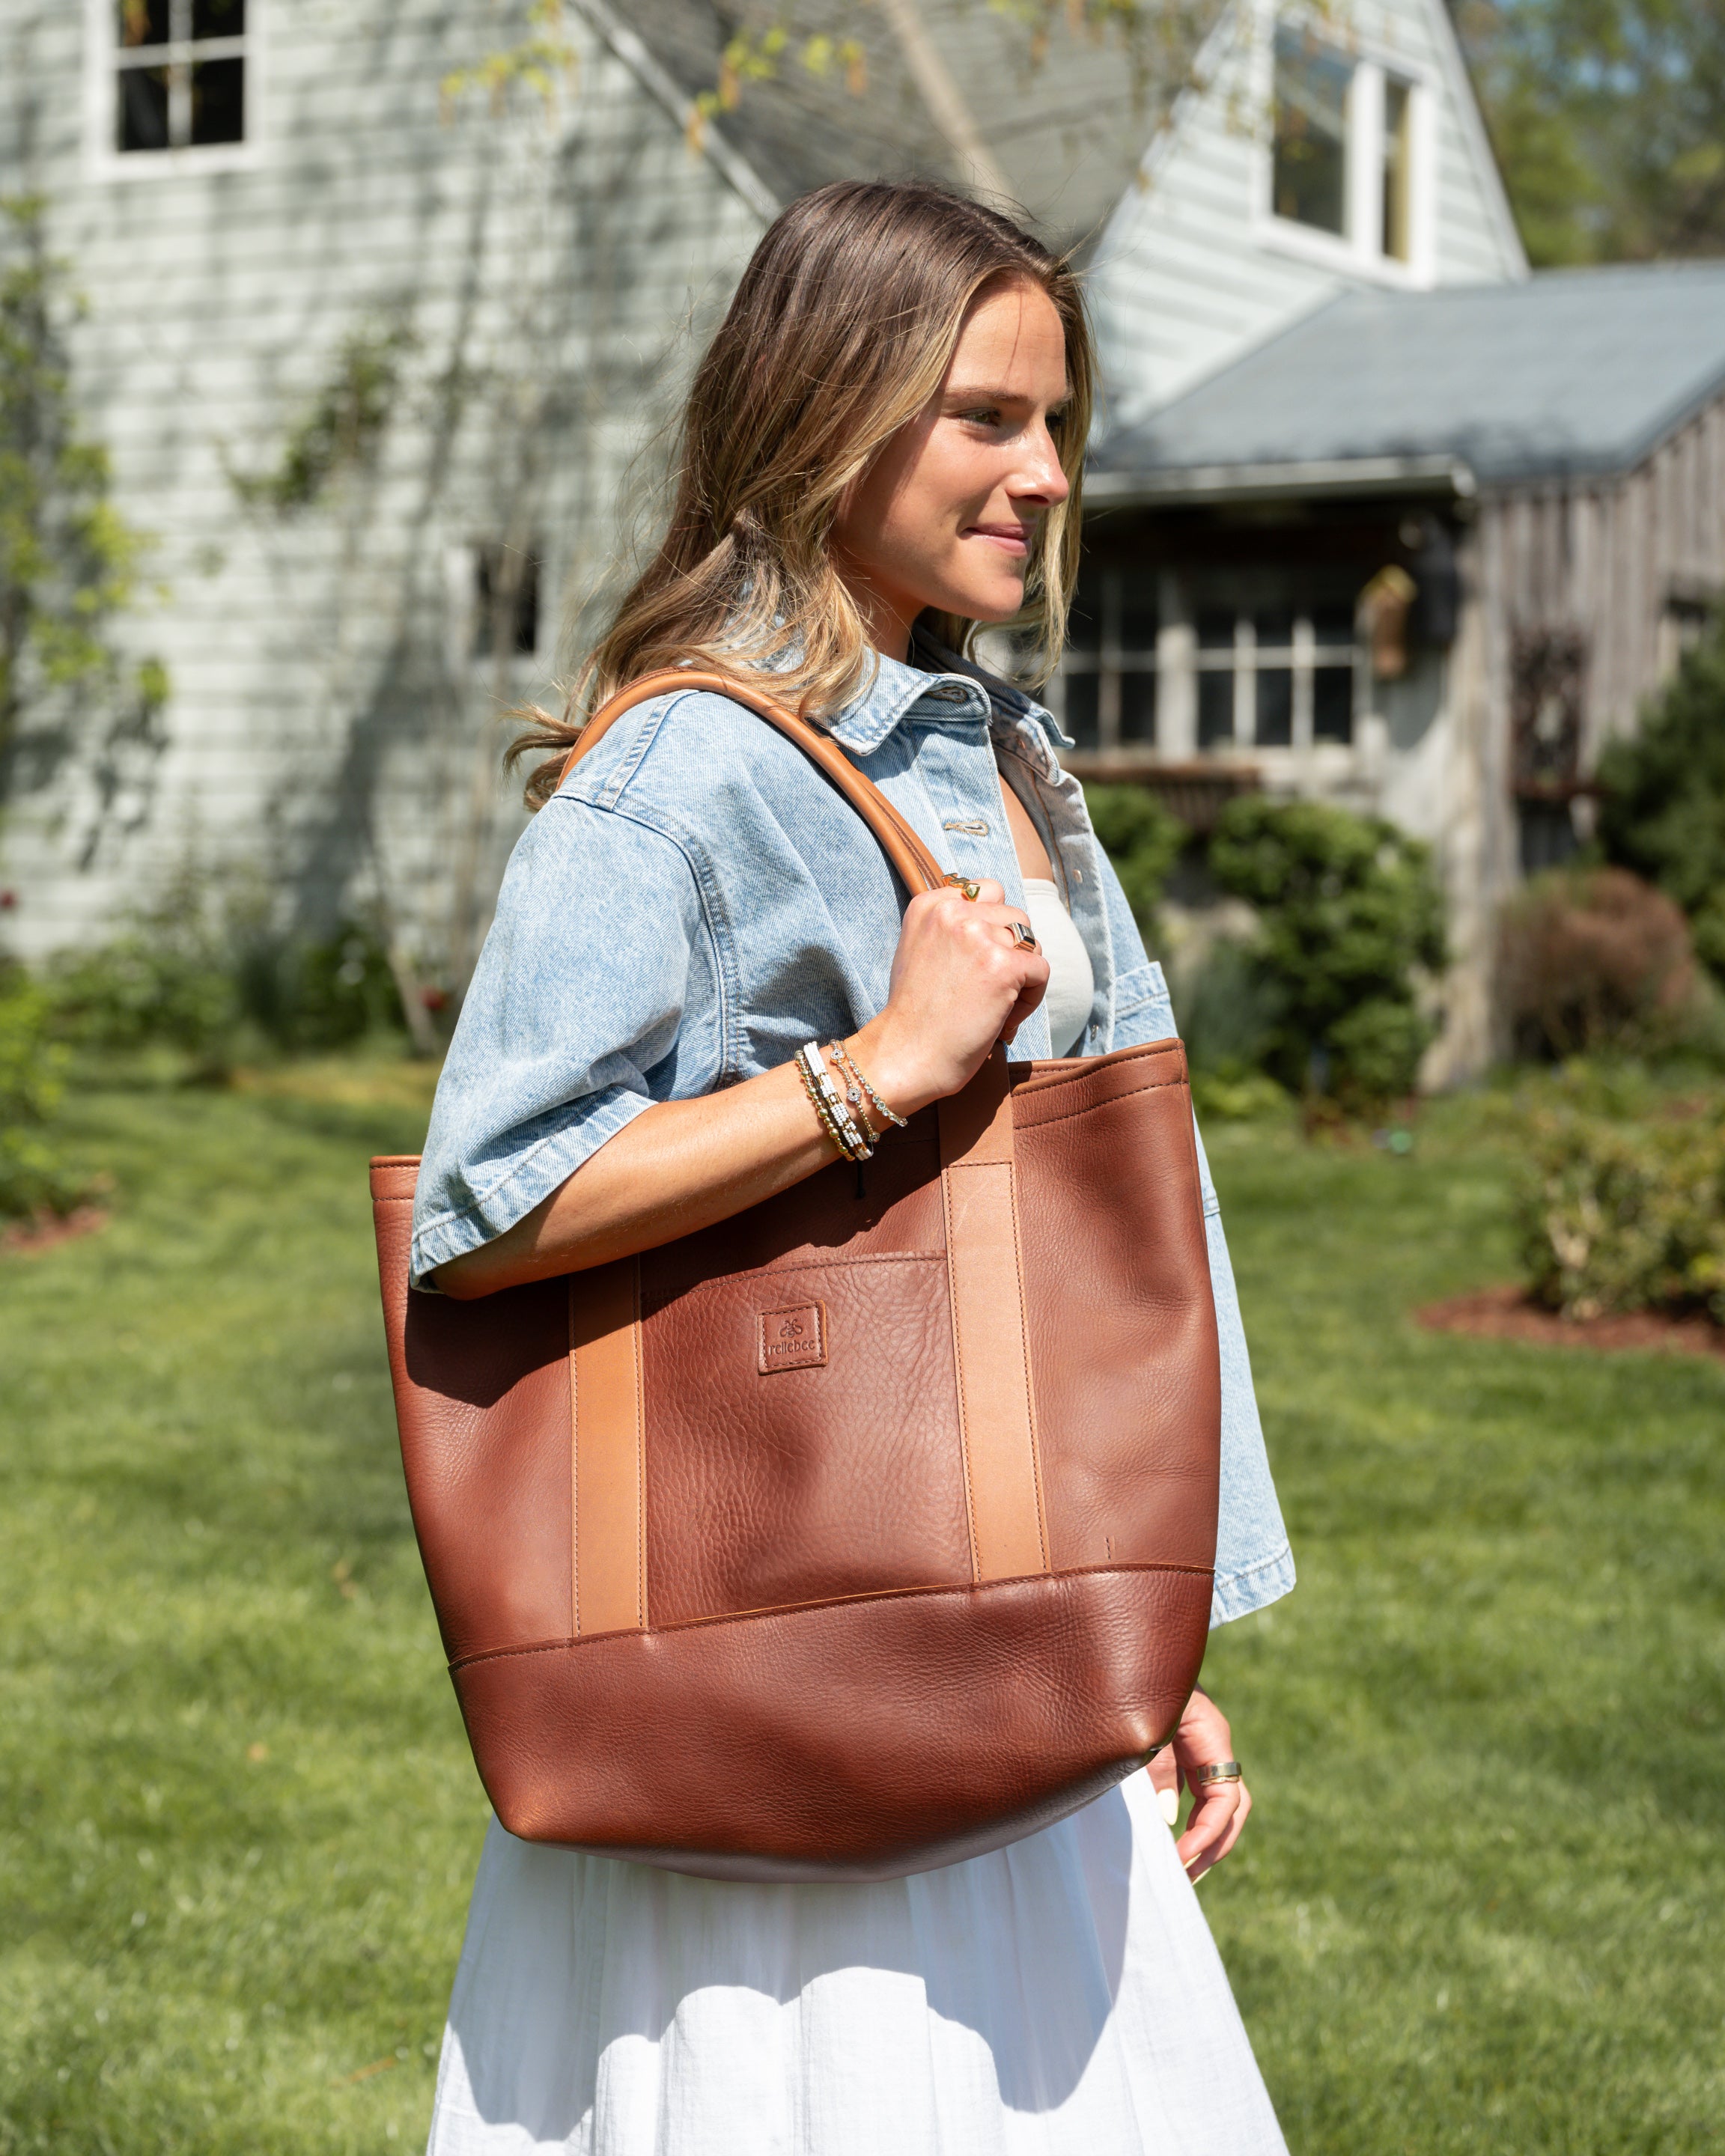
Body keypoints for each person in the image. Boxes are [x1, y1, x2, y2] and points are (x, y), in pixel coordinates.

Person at [410, 178, 1294, 2156]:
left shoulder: (996, 747)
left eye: (1057, 421)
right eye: (986, 418)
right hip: (788, 1675)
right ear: (826, 414)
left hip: (1009, 1650)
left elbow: (1110, 1233)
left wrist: (1151, 1624)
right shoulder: (683, 770)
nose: (1046, 474)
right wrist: (871, 1076)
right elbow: (486, 1207)